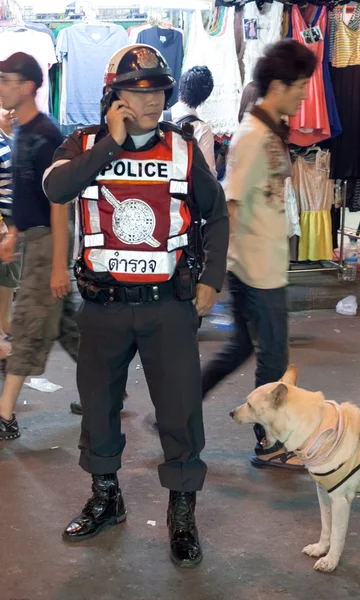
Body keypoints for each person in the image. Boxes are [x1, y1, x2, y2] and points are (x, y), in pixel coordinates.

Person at [43, 45, 229, 567]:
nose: (151, 100)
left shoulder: (184, 149)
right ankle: (107, 497)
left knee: (180, 412)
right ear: (115, 96)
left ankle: (182, 512)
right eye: (138, 90)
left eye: (158, 91)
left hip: (168, 308)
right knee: (99, 407)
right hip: (103, 307)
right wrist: (111, 144)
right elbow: (57, 190)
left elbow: (215, 216)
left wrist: (212, 279)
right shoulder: (80, 144)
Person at [200, 40, 317, 469]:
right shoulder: (251, 137)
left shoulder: (269, 129)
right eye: (301, 85)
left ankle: (179, 408)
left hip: (264, 264)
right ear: (280, 85)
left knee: (241, 349)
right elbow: (228, 206)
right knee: (273, 357)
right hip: (256, 269)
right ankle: (269, 442)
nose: (306, 93)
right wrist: (216, 271)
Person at [0, 52, 80, 441]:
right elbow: (23, 189)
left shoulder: (48, 135)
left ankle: (4, 416)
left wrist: (58, 265)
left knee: (28, 323)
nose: (1, 87)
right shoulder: (21, 129)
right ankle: (106, 390)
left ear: (28, 85)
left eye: (6, 80)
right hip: (34, 239)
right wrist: (14, 231)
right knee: (68, 326)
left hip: (50, 240)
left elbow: (59, 202)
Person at [169, 65, 217, 177]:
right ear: (204, 97)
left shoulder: (159, 117)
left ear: (180, 86)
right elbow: (208, 174)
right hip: (183, 191)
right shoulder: (202, 129)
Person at [0, 104, 19, 347]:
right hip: (3, 219)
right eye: (6, 109)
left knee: (9, 277)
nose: (11, 113)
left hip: (16, 220)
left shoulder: (17, 137)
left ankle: (5, 322)